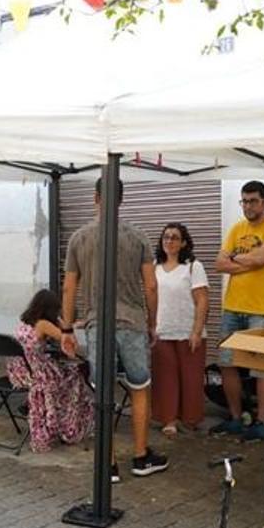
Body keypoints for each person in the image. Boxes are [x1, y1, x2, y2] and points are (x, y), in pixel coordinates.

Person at [63, 178, 167, 480]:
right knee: (139, 388)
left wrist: (67, 329)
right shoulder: (138, 237)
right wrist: (151, 324)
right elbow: (150, 285)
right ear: (121, 199)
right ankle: (140, 457)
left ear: (96, 197)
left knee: (103, 393)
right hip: (133, 322)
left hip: (98, 325)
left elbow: (69, 288)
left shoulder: (79, 238)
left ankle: (107, 465)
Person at [212, 180, 264, 442]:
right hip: (233, 306)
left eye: (253, 200)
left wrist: (237, 259)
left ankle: (262, 420)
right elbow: (218, 264)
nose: (248, 206)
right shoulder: (236, 229)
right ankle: (235, 418)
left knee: (262, 367)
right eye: (244, 201)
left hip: (262, 309)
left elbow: (261, 258)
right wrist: (247, 261)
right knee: (227, 363)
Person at [9, 289, 94, 452]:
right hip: (38, 376)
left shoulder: (25, 321)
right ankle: (70, 424)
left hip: (20, 372)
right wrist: (69, 325)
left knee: (64, 369)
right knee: (75, 375)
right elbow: (65, 337)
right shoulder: (44, 324)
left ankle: (46, 411)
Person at [151, 223, 209, 435]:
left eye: (175, 237)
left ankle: (190, 419)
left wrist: (196, 331)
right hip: (162, 331)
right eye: (166, 237)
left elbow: (202, 300)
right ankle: (169, 420)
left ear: (184, 242)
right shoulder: (154, 266)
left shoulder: (194, 266)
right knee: (165, 378)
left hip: (188, 332)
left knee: (191, 378)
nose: (169, 241)